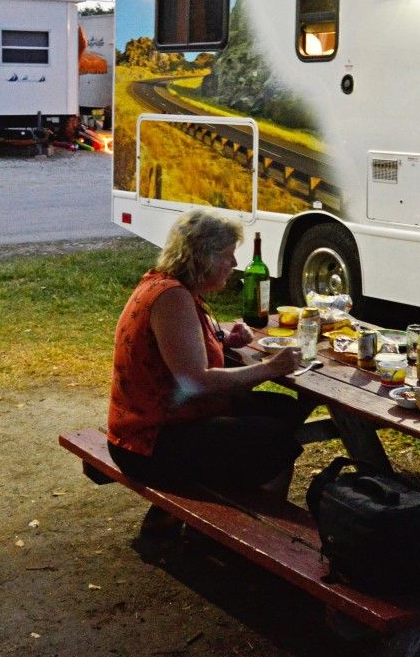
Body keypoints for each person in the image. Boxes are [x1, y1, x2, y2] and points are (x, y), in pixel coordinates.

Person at [106, 209, 307, 548]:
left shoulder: (166, 285)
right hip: (147, 441)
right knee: (276, 440)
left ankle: (230, 513)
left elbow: (178, 351)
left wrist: (223, 341)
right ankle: (255, 537)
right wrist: (269, 369)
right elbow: (195, 382)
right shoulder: (172, 297)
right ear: (204, 257)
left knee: (283, 411)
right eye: (228, 256)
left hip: (155, 424)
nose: (233, 264)